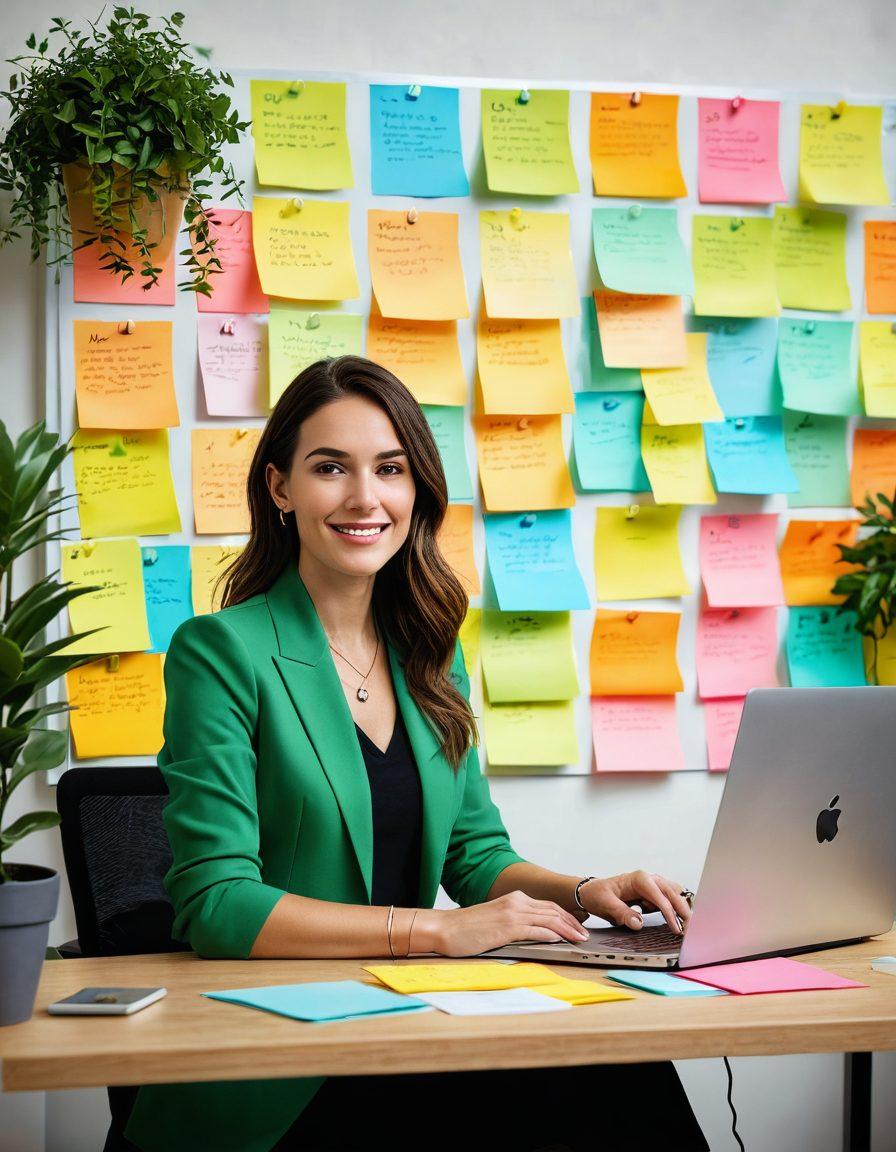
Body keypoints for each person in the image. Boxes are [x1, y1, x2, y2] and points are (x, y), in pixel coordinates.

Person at [123, 355, 708, 1152]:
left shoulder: (429, 651)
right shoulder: (220, 651)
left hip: (412, 1019)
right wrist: (438, 934)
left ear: (416, 491)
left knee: (625, 1060)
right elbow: (219, 907)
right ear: (279, 488)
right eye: (331, 467)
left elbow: (475, 856)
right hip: (285, 1055)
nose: (366, 497)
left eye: (390, 469)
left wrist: (582, 891)